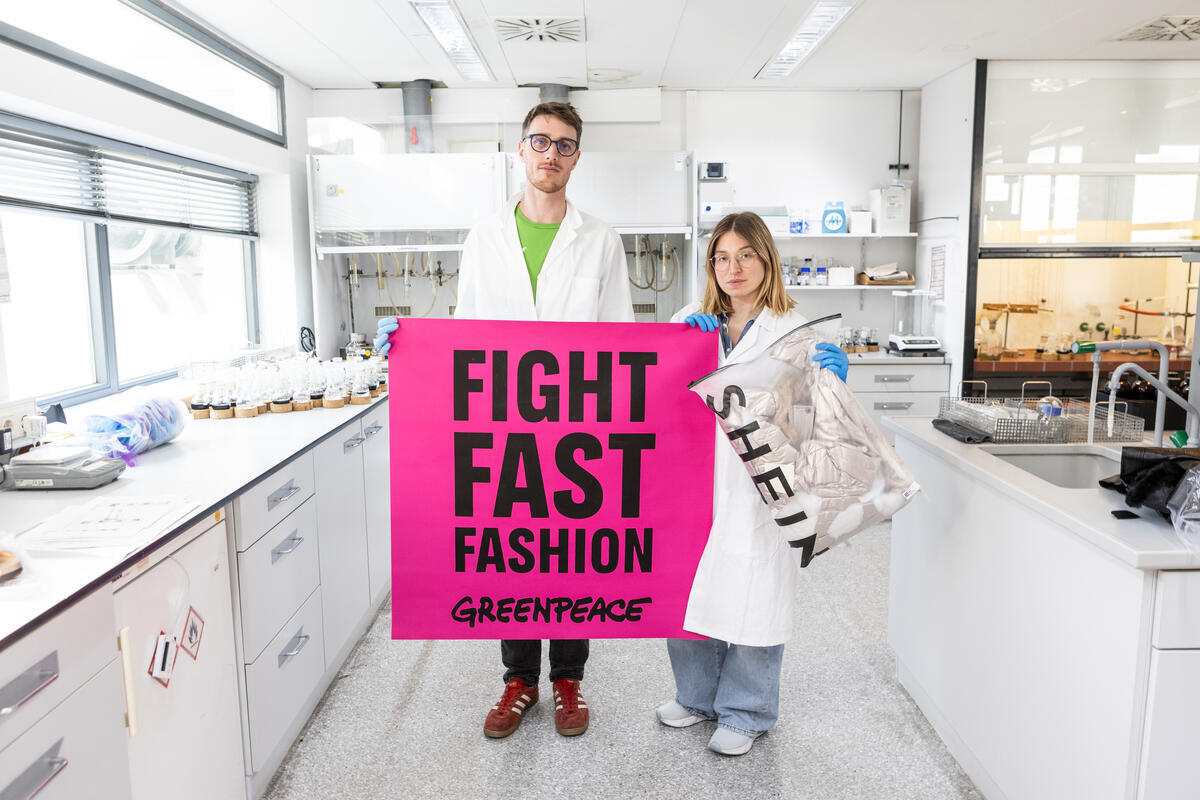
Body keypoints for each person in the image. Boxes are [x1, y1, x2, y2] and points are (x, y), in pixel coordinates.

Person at [376, 101, 634, 740]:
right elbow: (466, 333)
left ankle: (568, 678)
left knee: (572, 553)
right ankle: (518, 680)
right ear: (519, 151)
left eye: (565, 145)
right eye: (540, 142)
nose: (551, 154)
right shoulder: (484, 234)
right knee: (514, 550)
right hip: (504, 423)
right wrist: (410, 350)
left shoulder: (601, 239)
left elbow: (621, 335)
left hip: (579, 424)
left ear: (577, 156)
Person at [658, 211, 848, 756]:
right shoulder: (689, 318)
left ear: (767, 260)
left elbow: (822, 422)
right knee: (690, 588)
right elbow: (655, 394)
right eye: (721, 257)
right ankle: (695, 698)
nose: (732, 267)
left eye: (745, 254)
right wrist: (680, 346)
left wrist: (834, 379)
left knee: (755, 591)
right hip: (693, 479)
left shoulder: (797, 328)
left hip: (763, 483)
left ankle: (747, 711)